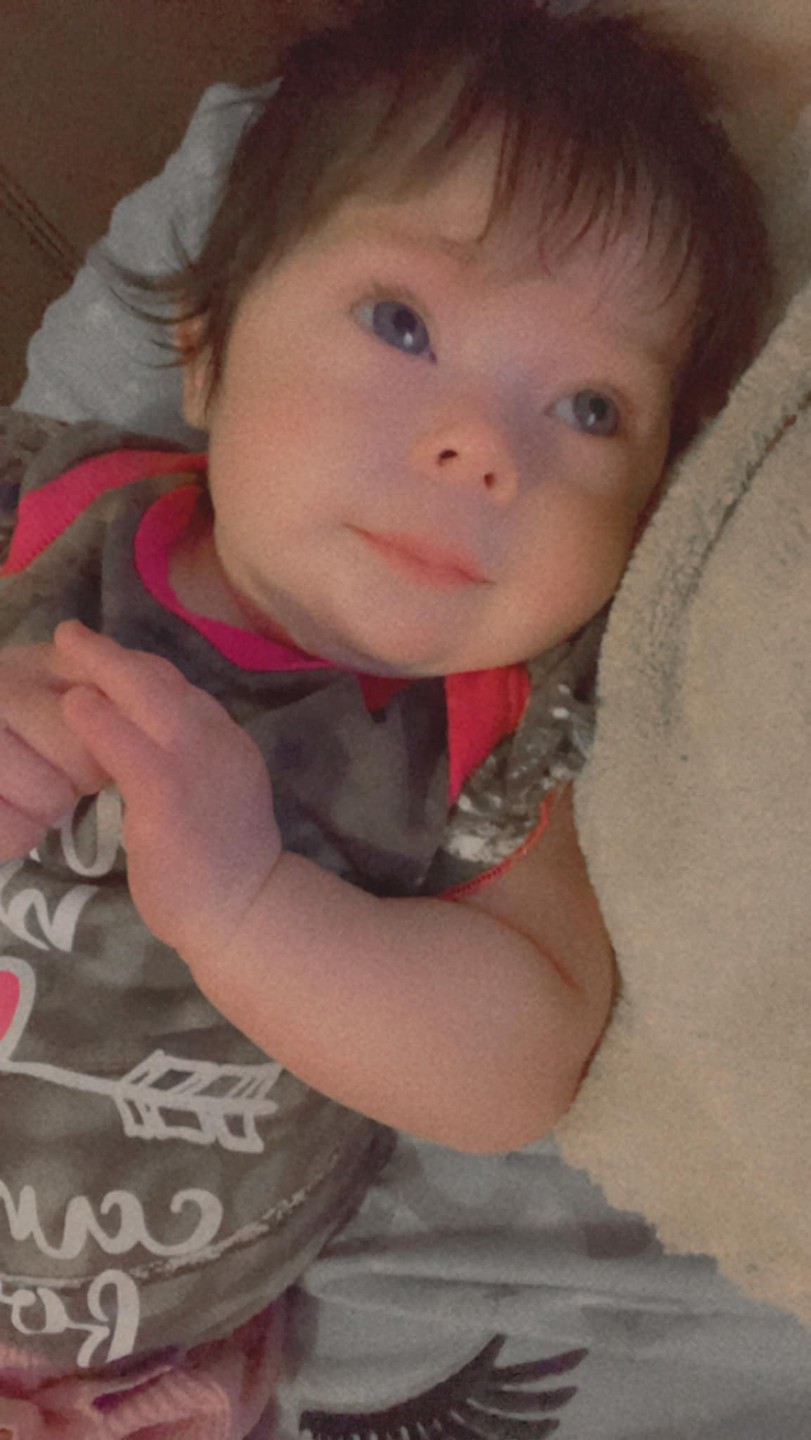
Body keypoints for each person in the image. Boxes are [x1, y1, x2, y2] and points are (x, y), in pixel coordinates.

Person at [0, 0, 771, 1434]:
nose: (483, 450)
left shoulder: (485, 738)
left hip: (126, 1357)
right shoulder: (50, 513)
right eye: (404, 323)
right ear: (207, 351)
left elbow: (520, 1062)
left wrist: (248, 908)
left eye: (592, 409)